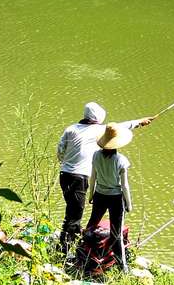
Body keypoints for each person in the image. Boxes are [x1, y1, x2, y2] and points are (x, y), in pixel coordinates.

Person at [56, 102, 154, 253]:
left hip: (64, 175)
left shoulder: (71, 128)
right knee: (75, 214)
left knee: (72, 210)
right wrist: (139, 122)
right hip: (79, 178)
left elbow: (60, 149)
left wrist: (65, 163)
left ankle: (69, 243)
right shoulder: (98, 130)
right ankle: (65, 250)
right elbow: (119, 127)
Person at [86, 122, 135, 272]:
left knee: (91, 226)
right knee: (116, 232)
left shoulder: (95, 155)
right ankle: (123, 266)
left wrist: (91, 195)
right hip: (115, 198)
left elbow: (92, 177)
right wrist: (129, 203)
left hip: (100, 195)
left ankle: (85, 254)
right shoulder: (121, 160)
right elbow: (124, 185)